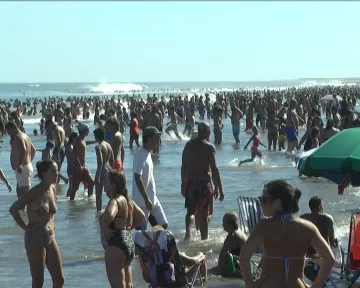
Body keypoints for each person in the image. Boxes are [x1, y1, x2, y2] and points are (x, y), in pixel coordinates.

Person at [239, 180, 335, 288]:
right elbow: (329, 259)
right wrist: (315, 286)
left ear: (278, 203)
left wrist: (250, 285)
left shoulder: (263, 226)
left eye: (264, 199)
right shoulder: (308, 227)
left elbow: (243, 258)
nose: (261, 203)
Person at [9, 159, 64, 288]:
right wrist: (25, 228)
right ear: (44, 174)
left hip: (50, 238)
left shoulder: (52, 189)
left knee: (59, 280)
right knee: (38, 282)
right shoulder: (35, 192)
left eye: (57, 171)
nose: (57, 174)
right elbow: (14, 209)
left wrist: (52, 222)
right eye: (53, 171)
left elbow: (51, 212)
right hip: (35, 239)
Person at [100, 170, 145, 288]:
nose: (104, 182)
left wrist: (105, 227)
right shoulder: (128, 200)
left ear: (113, 185)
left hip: (116, 244)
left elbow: (109, 215)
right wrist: (128, 228)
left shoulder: (115, 200)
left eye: (106, 180)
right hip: (128, 242)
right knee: (128, 284)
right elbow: (141, 217)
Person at [181, 122, 224, 241]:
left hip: (191, 183)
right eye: (209, 131)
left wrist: (183, 185)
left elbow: (183, 167)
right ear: (204, 132)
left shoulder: (188, 146)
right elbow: (214, 169)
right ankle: (204, 240)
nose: (210, 133)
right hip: (204, 184)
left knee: (190, 212)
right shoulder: (209, 147)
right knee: (204, 214)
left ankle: (188, 233)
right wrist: (219, 188)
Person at [132, 126, 168, 230]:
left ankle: (152, 244)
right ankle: (145, 245)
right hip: (142, 202)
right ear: (149, 138)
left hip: (153, 199)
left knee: (163, 225)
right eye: (156, 137)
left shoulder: (148, 153)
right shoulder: (140, 154)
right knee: (140, 233)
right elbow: (137, 177)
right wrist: (146, 199)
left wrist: (150, 198)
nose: (158, 140)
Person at [209, 212, 247, 277]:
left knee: (209, 272)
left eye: (223, 222)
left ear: (229, 224)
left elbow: (222, 255)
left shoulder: (231, 236)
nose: (222, 224)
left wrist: (218, 271)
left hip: (237, 269)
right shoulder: (241, 232)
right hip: (245, 266)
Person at [5, 121, 36, 199]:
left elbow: (24, 150)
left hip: (22, 168)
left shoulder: (18, 137)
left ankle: (34, 209)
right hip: (26, 167)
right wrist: (29, 162)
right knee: (19, 192)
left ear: (11, 129)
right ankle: (22, 210)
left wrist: (20, 164)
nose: (8, 134)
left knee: (27, 194)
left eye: (8, 132)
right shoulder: (25, 135)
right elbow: (33, 150)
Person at [69, 123, 95, 200]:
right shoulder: (78, 139)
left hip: (83, 166)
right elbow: (74, 153)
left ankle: (89, 198)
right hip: (78, 166)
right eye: (88, 130)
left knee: (91, 182)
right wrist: (78, 165)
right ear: (84, 131)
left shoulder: (82, 139)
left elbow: (85, 143)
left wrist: (95, 141)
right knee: (75, 187)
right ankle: (71, 202)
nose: (89, 131)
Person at [93, 127, 115, 212]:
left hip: (102, 169)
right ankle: (113, 208)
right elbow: (112, 160)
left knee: (98, 193)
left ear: (96, 137)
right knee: (110, 192)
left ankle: (98, 211)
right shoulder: (108, 145)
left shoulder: (98, 147)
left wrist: (97, 176)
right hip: (109, 168)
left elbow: (100, 163)